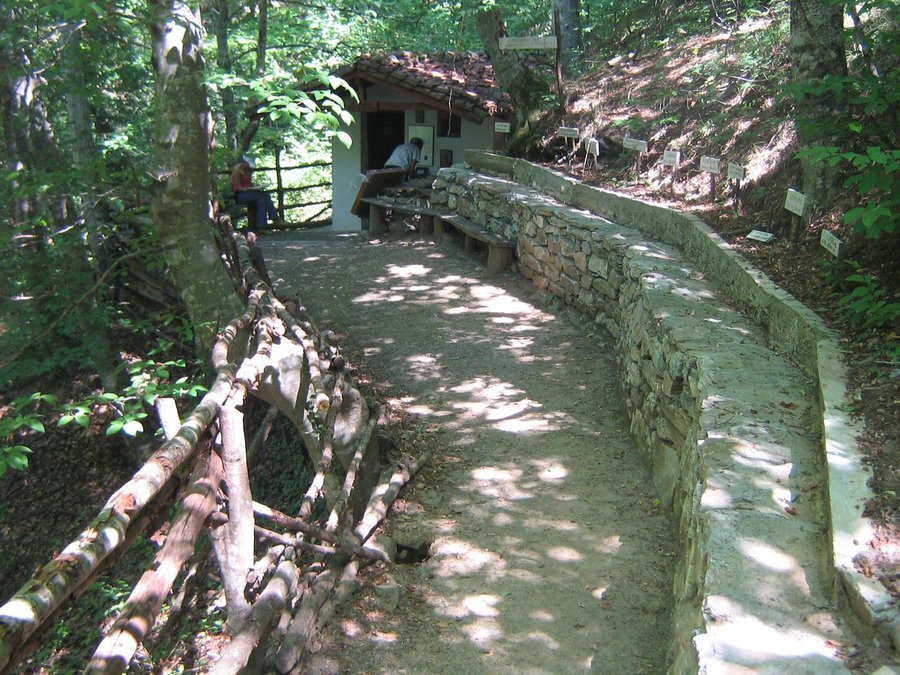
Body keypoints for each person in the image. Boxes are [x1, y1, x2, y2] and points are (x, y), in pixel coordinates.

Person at [230, 156, 286, 231]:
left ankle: (262, 227)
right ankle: (275, 219)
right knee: (264, 195)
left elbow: (248, 183)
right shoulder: (237, 170)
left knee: (261, 201)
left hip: (250, 194)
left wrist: (256, 187)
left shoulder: (249, 170)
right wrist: (249, 189)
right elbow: (236, 188)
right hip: (241, 195)